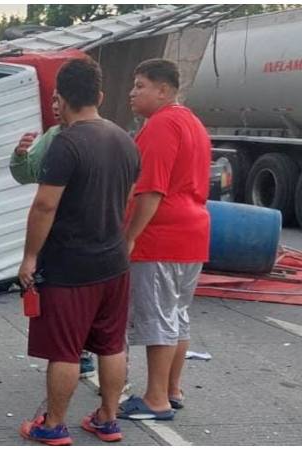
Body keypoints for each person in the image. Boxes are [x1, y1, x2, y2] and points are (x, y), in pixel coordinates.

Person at [17, 58, 140, 445]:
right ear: (99, 96)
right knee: (111, 344)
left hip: (71, 266)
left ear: (60, 97)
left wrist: (30, 257)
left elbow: (44, 206)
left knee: (65, 350)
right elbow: (128, 196)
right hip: (114, 262)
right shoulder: (125, 140)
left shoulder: (66, 143)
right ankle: (108, 419)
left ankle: (53, 425)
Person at [117, 59, 211, 421]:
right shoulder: (193, 123)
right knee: (176, 314)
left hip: (162, 236)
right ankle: (172, 388)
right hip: (192, 234)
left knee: (157, 316)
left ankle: (155, 398)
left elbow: (151, 190)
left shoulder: (161, 125)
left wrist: (130, 236)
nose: (132, 92)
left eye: (140, 85)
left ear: (163, 90)